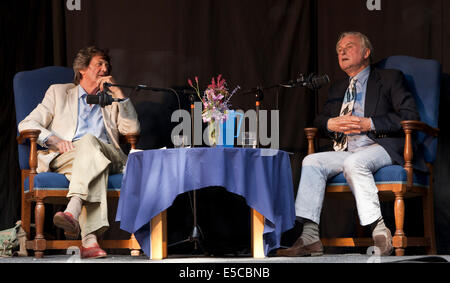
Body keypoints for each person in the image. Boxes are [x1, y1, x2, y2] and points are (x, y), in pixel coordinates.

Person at [277, 32, 420, 257]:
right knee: (311, 161)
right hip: (345, 149)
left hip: (380, 146)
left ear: (366, 52)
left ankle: (380, 232)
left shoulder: (390, 78)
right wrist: (330, 123)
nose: (341, 52)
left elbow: (409, 116)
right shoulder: (337, 88)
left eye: (349, 47)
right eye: (339, 49)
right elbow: (319, 121)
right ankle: (310, 236)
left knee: (355, 163)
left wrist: (369, 123)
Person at [18, 46, 140, 259]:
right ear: (82, 69)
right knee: (90, 159)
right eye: (99, 64)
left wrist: (120, 95)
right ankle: (90, 241)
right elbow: (26, 123)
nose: (105, 68)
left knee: (89, 143)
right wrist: (53, 139)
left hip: (110, 155)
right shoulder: (59, 92)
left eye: (107, 65)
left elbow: (132, 130)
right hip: (68, 156)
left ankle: (72, 209)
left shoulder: (111, 98)